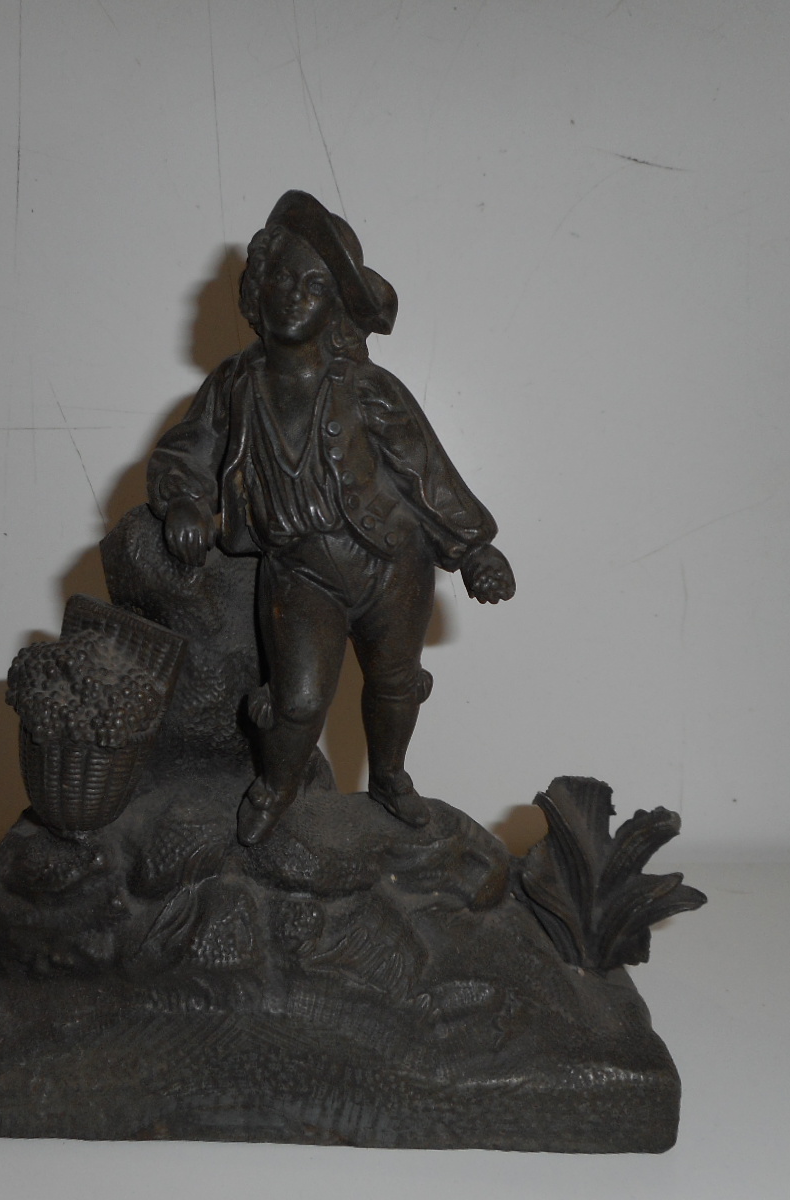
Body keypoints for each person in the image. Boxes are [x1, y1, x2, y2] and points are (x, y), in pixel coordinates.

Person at [147, 191, 515, 845]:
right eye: (283, 278)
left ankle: (391, 777)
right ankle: (276, 786)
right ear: (257, 286)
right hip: (302, 570)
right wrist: (184, 500)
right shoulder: (235, 384)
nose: (295, 296)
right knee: (297, 701)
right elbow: (187, 452)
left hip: (393, 563)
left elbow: (425, 472)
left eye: (315, 286)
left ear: (337, 307)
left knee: (395, 684)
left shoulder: (368, 387)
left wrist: (475, 548)